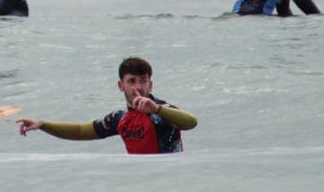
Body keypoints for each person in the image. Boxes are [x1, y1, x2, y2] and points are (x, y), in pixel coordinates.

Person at [16, 56, 197, 154]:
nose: (138, 87)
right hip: (141, 181)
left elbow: (191, 122)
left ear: (151, 84)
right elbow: (80, 131)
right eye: (132, 81)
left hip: (173, 178)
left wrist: (157, 109)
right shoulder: (120, 119)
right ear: (121, 86)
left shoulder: (162, 111)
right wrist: (42, 124)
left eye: (143, 80)